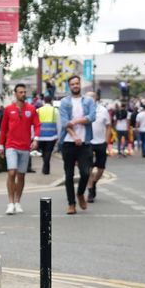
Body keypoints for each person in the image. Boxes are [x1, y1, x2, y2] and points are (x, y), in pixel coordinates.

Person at [0, 83, 40, 215]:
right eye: (20, 92)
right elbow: (3, 129)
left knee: (21, 175)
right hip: (11, 145)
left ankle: (17, 202)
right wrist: (0, 146)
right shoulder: (8, 109)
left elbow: (37, 125)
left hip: (25, 147)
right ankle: (10, 203)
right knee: (12, 172)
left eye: (24, 92)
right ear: (15, 94)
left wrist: (36, 139)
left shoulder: (32, 109)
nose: (23, 94)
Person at [58, 75, 96, 214]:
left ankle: (80, 194)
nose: (75, 86)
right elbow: (64, 122)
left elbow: (92, 117)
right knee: (68, 175)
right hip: (68, 142)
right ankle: (71, 204)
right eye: (72, 84)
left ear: (80, 85)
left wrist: (76, 121)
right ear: (69, 86)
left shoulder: (89, 101)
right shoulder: (64, 102)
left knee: (85, 173)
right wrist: (74, 136)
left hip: (85, 142)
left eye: (77, 83)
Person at [87, 92, 112, 203]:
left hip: (101, 142)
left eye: (92, 96)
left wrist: (106, 141)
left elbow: (108, 126)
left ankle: (94, 183)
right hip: (88, 143)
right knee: (89, 168)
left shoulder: (103, 110)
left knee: (101, 169)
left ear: (96, 98)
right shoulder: (84, 110)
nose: (90, 98)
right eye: (87, 97)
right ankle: (90, 190)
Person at [36, 98, 60, 175]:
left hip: (40, 135)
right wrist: (58, 135)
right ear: (51, 101)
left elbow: (35, 123)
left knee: (43, 152)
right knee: (48, 152)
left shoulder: (38, 110)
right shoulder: (55, 110)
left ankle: (46, 168)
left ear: (44, 101)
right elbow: (58, 124)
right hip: (51, 135)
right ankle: (46, 168)